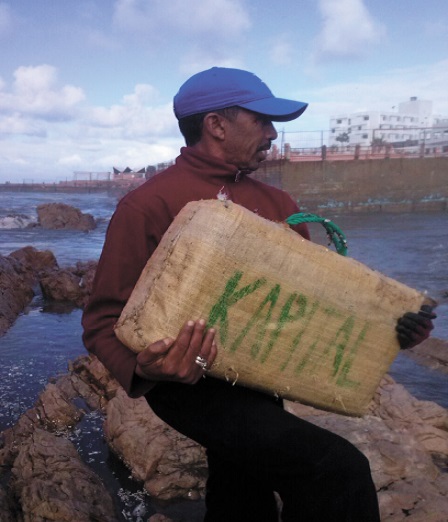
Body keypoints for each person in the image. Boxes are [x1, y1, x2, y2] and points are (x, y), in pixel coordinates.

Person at [82, 67, 436, 521]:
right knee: (334, 469)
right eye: (262, 120)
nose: (273, 133)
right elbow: (101, 321)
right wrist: (143, 366)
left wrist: (392, 330)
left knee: (241, 484)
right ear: (216, 124)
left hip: (261, 373)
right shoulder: (147, 205)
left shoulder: (280, 206)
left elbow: (313, 307)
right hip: (187, 384)